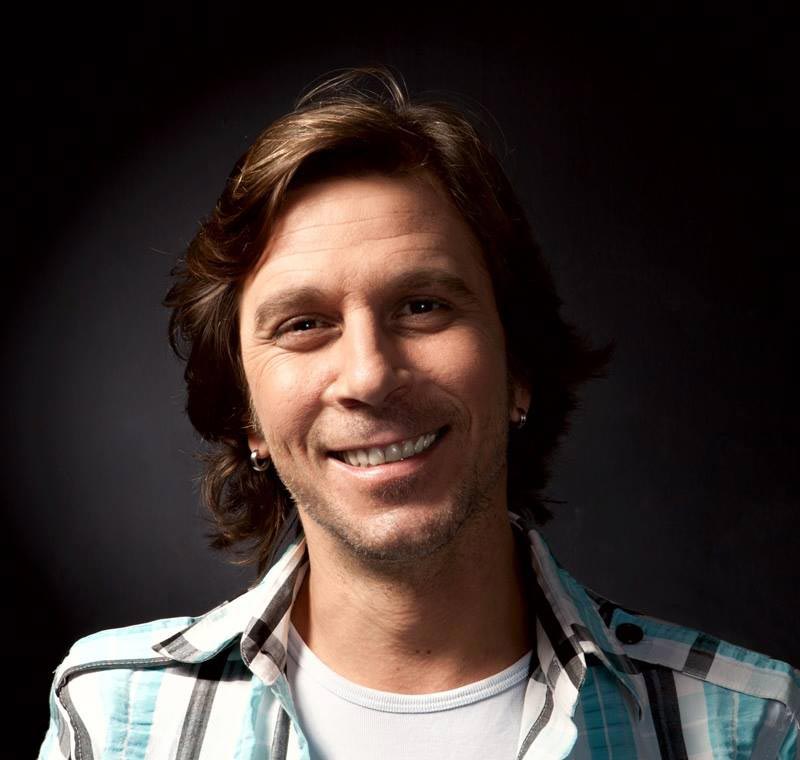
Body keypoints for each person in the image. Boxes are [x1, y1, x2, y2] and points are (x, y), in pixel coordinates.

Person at [39, 65, 798, 760]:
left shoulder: (755, 730)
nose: (370, 376)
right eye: (304, 324)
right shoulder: (114, 721)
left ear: (519, 368)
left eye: (423, 306)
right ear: (247, 416)